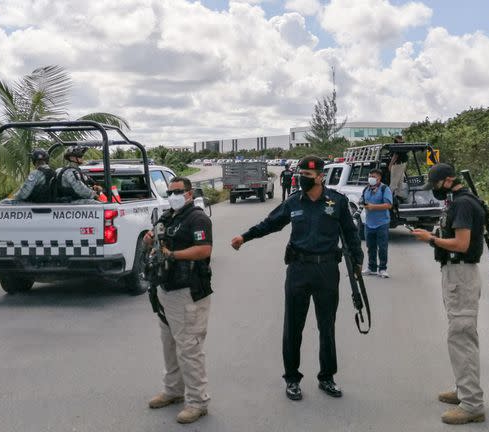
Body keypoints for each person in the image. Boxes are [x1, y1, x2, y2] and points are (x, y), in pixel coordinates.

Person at [230, 155, 363, 401]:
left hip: (326, 271)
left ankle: (327, 377)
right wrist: (244, 237)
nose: (302, 179)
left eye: (308, 176)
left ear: (321, 177)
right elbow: (269, 224)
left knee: (327, 327)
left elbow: (351, 233)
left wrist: (357, 261)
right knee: (293, 327)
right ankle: (292, 378)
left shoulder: (337, 202)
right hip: (298, 270)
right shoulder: (293, 202)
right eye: (300, 175)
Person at [411, 163, 486, 425]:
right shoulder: (459, 201)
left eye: (436, 186)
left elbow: (462, 244)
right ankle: (464, 390)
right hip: (456, 274)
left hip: (461, 275)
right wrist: (433, 235)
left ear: (449, 180)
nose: (435, 192)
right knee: (459, 335)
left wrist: (430, 239)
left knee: (461, 335)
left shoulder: (463, 204)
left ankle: (472, 404)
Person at [144, 176, 213, 424]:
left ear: (189, 193)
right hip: (166, 289)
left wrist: (172, 254)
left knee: (189, 348)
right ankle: (173, 390)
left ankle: (197, 401)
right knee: (169, 345)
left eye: (177, 191)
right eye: (170, 191)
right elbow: (156, 237)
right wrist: (150, 240)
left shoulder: (197, 218)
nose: (173, 195)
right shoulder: (168, 217)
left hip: (188, 291)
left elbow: (204, 250)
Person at [360, 168, 392, 277]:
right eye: (370, 176)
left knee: (382, 247)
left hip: (382, 223)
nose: (371, 178)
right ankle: (371, 267)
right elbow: (362, 200)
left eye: (374, 177)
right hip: (369, 223)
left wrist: (374, 207)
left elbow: (388, 205)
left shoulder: (384, 189)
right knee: (371, 246)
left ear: (379, 178)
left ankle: (382, 269)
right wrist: (362, 204)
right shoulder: (366, 189)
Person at [389, 135, 408, 201]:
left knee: (400, 181)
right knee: (395, 181)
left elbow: (398, 155)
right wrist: (390, 164)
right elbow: (395, 155)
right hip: (398, 164)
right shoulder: (397, 145)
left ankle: (398, 195)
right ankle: (389, 196)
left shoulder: (402, 145)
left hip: (401, 164)